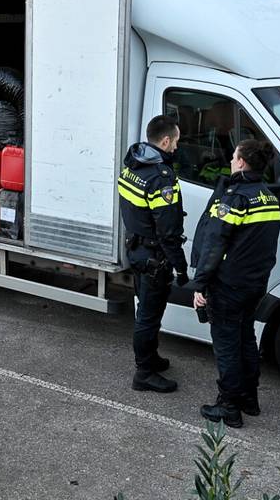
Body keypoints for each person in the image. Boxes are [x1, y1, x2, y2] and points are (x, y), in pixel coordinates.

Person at [188, 139, 280, 428]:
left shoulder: (235, 198)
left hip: (228, 285)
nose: (230, 161)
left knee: (227, 345)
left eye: (233, 157)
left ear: (241, 162)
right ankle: (249, 399)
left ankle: (228, 406)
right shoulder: (268, 197)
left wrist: (200, 284)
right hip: (255, 284)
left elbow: (215, 244)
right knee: (246, 339)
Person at [117, 114, 188, 393]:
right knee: (148, 315)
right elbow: (168, 231)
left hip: (137, 250)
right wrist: (180, 266)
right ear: (166, 140)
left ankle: (151, 357)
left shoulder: (133, 164)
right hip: (154, 257)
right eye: (176, 141)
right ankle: (144, 373)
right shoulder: (161, 178)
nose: (177, 147)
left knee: (146, 310)